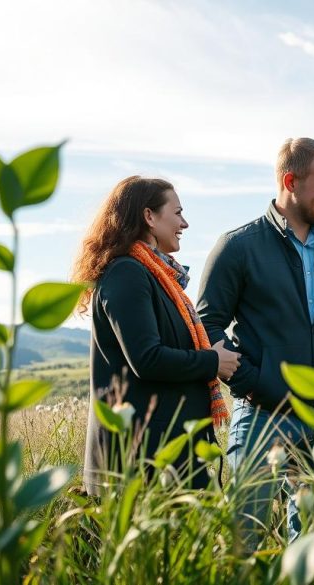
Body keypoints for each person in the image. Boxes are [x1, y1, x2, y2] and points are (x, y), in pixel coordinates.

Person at [196, 137, 314, 546]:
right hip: (259, 415)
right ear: (291, 180)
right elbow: (207, 325)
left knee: (312, 539)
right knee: (244, 537)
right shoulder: (237, 246)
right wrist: (255, 382)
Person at [74, 176, 241, 495]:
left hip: (167, 457)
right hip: (140, 463)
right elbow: (147, 359)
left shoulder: (156, 277)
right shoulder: (127, 274)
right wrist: (213, 362)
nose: (185, 223)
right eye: (177, 212)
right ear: (149, 216)